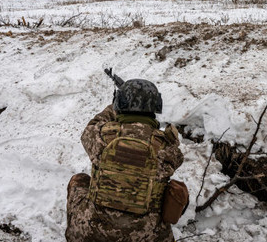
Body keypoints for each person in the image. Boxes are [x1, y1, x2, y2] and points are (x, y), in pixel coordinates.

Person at [65, 78, 187, 242]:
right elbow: (176, 157)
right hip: (147, 237)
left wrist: (113, 106)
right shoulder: (167, 146)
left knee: (79, 180)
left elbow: (91, 127)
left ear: (120, 104)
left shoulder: (102, 135)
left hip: (93, 234)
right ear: (156, 106)